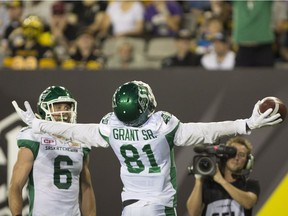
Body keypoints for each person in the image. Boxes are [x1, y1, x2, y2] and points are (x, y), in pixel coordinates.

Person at [12, 81, 282, 216]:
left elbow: (74, 131)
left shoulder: (110, 127)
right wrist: (247, 123)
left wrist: (39, 124)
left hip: (130, 207)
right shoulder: (163, 125)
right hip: (158, 205)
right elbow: (205, 130)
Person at [9, 86, 96, 216]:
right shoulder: (34, 138)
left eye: (67, 107)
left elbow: (86, 187)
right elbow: (15, 186)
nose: (64, 112)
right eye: (58, 107)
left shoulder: (80, 141)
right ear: (44, 110)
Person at [186, 136, 259, 216]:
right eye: (233, 153)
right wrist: (198, 181)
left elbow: (248, 203)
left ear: (247, 162)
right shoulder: (208, 184)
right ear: (224, 156)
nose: (236, 158)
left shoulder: (250, 184)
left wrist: (221, 180)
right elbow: (193, 213)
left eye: (241, 155)